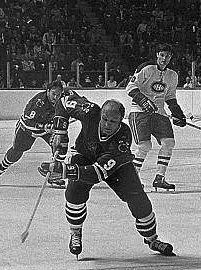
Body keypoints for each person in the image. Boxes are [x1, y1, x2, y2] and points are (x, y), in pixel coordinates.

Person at [39, 94, 175, 258]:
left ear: (120, 121)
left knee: (139, 200)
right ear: (100, 114)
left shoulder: (122, 139)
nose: (107, 125)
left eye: (113, 122)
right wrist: (60, 132)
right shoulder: (89, 112)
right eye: (104, 119)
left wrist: (64, 170)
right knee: (75, 192)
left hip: (116, 167)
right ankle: (75, 231)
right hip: (84, 154)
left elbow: (96, 174)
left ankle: (152, 239)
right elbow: (63, 100)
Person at [125, 43, 188, 191]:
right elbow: (130, 88)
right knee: (144, 146)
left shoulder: (172, 75)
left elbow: (170, 97)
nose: (164, 59)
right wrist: (144, 101)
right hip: (139, 112)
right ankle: (132, 179)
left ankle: (160, 177)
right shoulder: (146, 69)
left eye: (167, 56)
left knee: (169, 143)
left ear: (170, 57)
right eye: (162, 55)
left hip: (159, 112)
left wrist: (178, 114)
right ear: (157, 55)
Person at [0, 81, 65, 187]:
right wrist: (44, 127)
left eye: (58, 94)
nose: (56, 97)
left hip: (48, 129)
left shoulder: (64, 98)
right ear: (47, 91)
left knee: (60, 145)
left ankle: (54, 175)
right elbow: (27, 122)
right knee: (16, 152)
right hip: (27, 129)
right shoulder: (38, 102)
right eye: (53, 94)